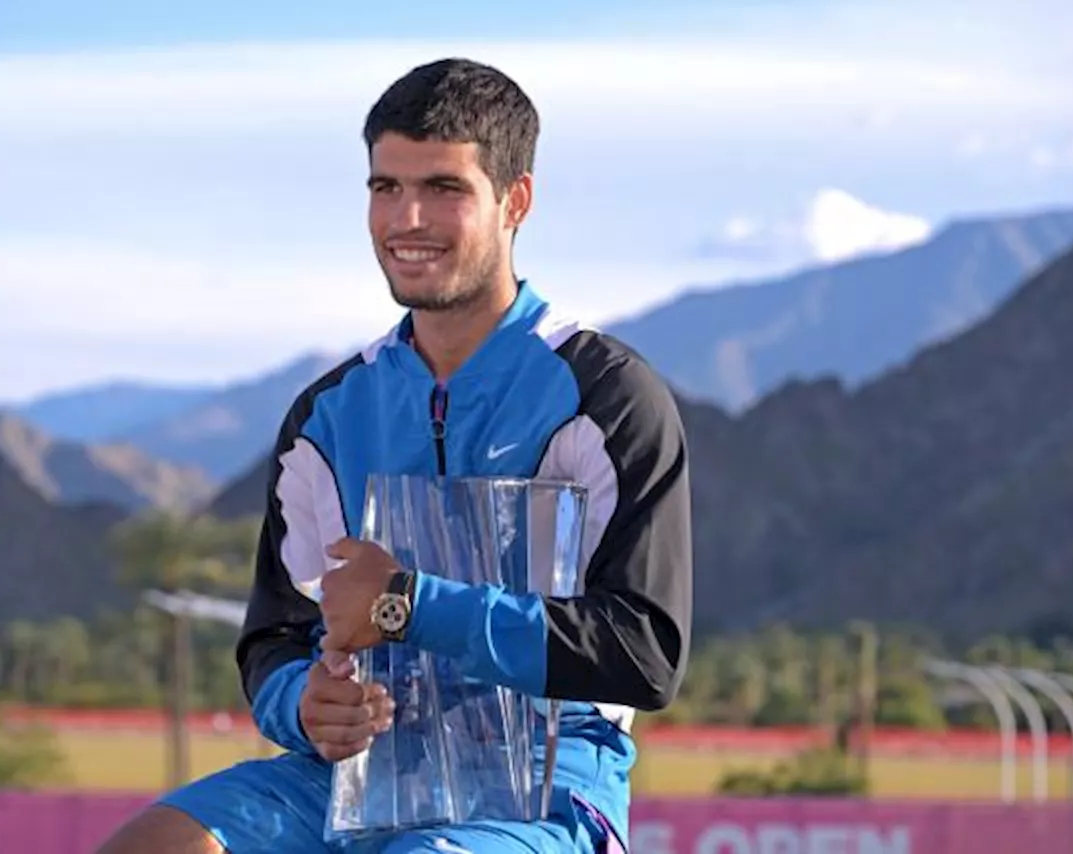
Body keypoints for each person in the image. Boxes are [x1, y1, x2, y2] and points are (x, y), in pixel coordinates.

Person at [96, 56, 692, 854]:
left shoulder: (607, 397)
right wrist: (304, 707)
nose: (407, 218)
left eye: (444, 189)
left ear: (515, 200)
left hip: (541, 792)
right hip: (347, 781)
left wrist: (408, 604)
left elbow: (645, 654)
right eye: (385, 187)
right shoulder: (330, 416)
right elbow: (276, 636)